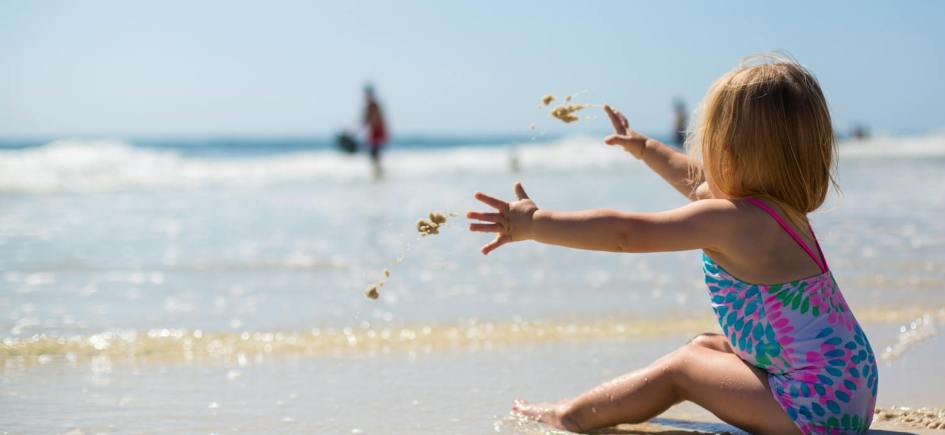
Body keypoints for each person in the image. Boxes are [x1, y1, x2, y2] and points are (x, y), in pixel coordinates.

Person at [467, 54, 878, 434]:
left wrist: (536, 224)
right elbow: (698, 184)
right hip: (848, 388)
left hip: (813, 410)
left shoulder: (732, 221)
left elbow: (626, 235)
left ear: (727, 152)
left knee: (682, 368)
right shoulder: (780, 213)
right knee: (704, 345)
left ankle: (570, 414)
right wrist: (646, 149)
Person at [361, 84, 389, 179]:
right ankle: (378, 172)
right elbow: (365, 121)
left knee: (375, 153)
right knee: (374, 154)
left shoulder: (374, 105)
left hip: (377, 132)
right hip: (374, 132)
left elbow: (375, 120)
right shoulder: (370, 106)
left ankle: (379, 173)